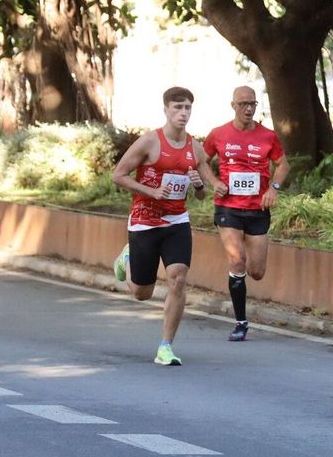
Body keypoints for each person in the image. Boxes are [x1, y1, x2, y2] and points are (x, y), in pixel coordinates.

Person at [110, 87, 217, 366]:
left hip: (177, 221)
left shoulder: (195, 148)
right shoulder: (149, 142)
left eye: (187, 108)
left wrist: (198, 186)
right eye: (177, 107)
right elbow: (118, 176)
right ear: (166, 110)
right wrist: (150, 191)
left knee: (178, 278)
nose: (183, 113)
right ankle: (128, 257)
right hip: (145, 222)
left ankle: (165, 346)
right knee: (141, 293)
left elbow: (202, 193)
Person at [202, 86, 289, 342]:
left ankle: (240, 281)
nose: (249, 108)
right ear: (233, 106)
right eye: (243, 104)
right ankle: (241, 322)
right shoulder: (218, 134)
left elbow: (283, 164)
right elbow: (201, 161)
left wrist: (273, 188)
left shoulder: (267, 136)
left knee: (257, 272)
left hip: (258, 210)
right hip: (228, 207)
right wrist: (214, 181)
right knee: (237, 259)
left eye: (252, 103)